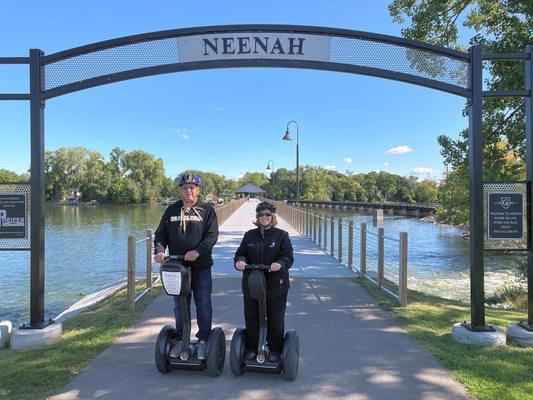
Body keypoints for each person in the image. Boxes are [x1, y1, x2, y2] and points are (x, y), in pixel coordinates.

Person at [154, 173, 219, 360]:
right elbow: (161, 235)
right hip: (176, 266)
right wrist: (159, 251)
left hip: (201, 266)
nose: (188, 191)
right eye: (185, 188)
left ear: (198, 190)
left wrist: (198, 251)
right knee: (179, 304)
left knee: (203, 303)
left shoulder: (207, 210)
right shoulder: (172, 210)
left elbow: (211, 236)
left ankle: (203, 339)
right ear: (181, 190)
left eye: (192, 187)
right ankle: (183, 339)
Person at [234, 201, 294, 362]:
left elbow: (288, 257)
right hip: (253, 283)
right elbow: (241, 253)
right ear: (257, 217)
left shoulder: (282, 235)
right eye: (261, 214)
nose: (264, 217)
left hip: (276, 284)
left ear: (273, 216)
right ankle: (252, 347)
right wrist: (240, 262)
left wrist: (279, 264)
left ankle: (275, 349)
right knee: (252, 316)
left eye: (268, 214)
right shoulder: (249, 235)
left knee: (275, 317)